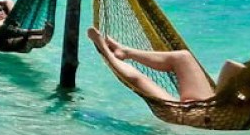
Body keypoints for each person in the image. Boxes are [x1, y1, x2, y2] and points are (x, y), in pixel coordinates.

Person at [87, 27, 239, 104]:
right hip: (205, 106)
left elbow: (231, 66)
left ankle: (106, 50)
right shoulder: (245, 104)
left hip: (191, 114)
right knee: (182, 56)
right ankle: (125, 51)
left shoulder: (245, 109)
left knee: (139, 80)